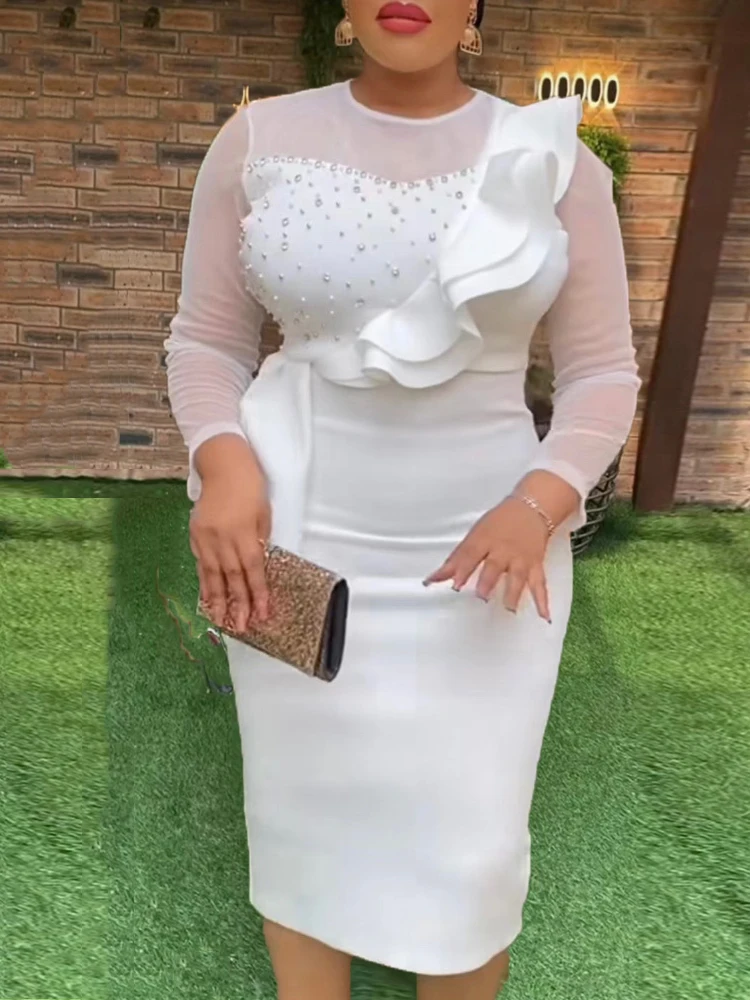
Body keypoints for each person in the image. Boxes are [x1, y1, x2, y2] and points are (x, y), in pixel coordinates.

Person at [164, 1, 640, 997]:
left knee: (472, 842)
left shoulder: (556, 163)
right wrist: (225, 462)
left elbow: (602, 374)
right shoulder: (257, 141)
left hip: (489, 549)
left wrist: (539, 501)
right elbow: (205, 341)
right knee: (300, 820)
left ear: (475, 7)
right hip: (295, 535)